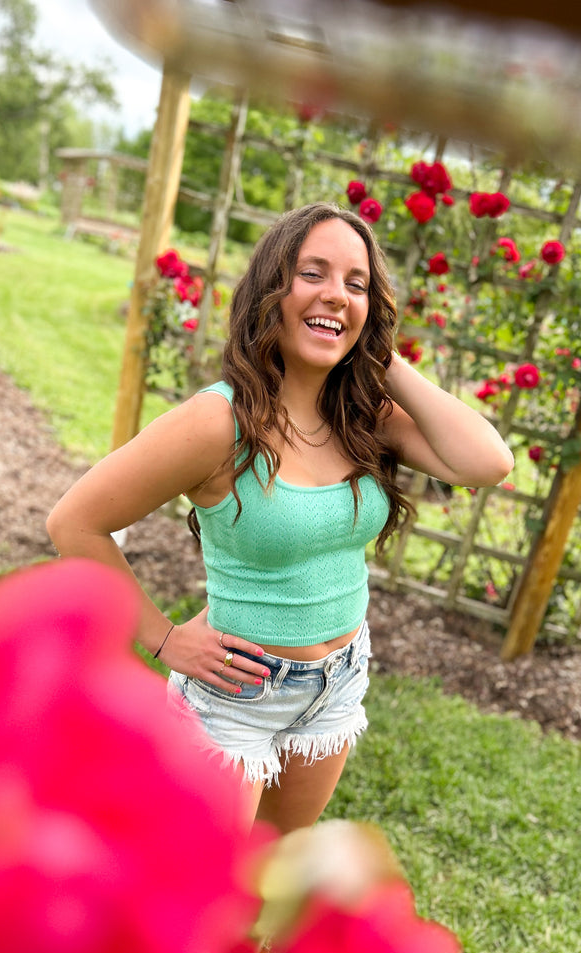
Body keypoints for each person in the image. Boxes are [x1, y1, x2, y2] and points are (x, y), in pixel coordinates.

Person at [47, 201, 514, 835]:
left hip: (338, 682)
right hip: (234, 701)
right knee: (200, 895)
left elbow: (488, 461)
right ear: (273, 289)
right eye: (313, 273)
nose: (336, 295)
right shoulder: (218, 422)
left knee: (267, 873)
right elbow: (73, 524)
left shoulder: (363, 416)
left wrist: (378, 353)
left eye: (357, 284)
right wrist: (163, 639)